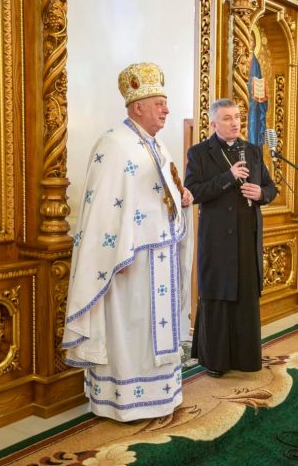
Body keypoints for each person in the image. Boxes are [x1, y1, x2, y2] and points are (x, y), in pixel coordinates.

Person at [62, 62, 194, 421]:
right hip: (127, 261)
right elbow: (102, 207)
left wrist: (183, 197)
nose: (166, 110)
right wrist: (111, 256)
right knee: (131, 330)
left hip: (161, 257)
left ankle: (161, 396)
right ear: (138, 107)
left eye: (165, 104)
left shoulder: (157, 145)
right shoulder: (114, 145)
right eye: (159, 104)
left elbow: (166, 191)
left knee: (153, 331)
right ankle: (123, 401)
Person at [184, 98, 277, 378]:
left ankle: (245, 358)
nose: (235, 122)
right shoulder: (199, 153)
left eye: (237, 116)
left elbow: (271, 187)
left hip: (247, 236)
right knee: (219, 296)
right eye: (227, 118)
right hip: (217, 240)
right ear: (213, 123)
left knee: (245, 296)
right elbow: (193, 192)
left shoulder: (252, 150)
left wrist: (261, 194)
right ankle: (216, 360)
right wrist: (228, 176)